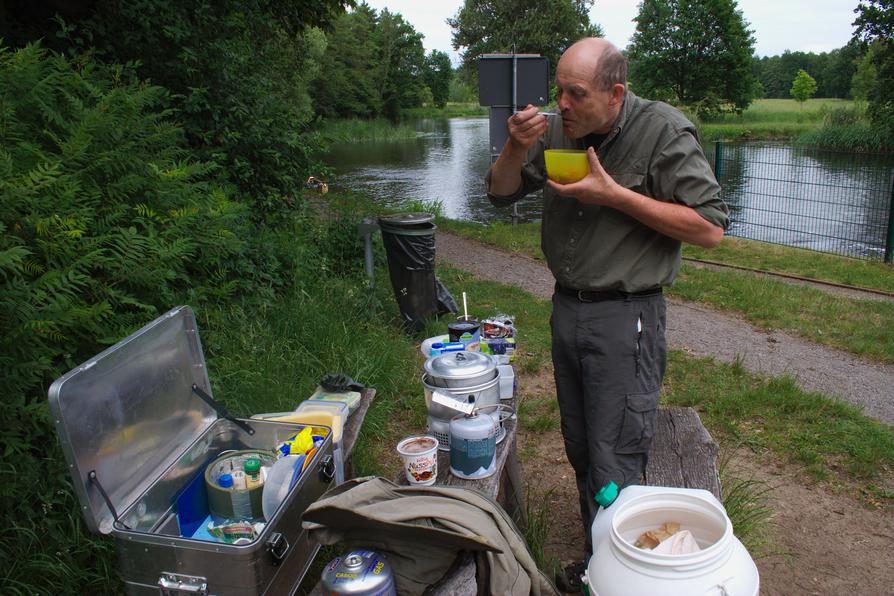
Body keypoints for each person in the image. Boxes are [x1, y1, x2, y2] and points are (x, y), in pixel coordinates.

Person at [486, 37, 730, 592]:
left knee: (615, 450)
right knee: (580, 442)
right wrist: (514, 149)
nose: (562, 106)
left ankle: (625, 576)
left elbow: (710, 227)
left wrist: (615, 195)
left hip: (627, 316)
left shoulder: (662, 131)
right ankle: (604, 559)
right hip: (566, 307)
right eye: (558, 93)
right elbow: (500, 195)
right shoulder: (555, 130)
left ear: (615, 93)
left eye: (575, 94)